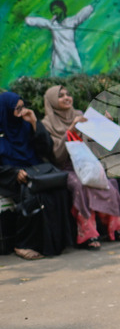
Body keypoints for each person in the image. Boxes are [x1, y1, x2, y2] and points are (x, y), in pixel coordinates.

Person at [41, 86, 120, 250]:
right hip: (66, 168)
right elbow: (55, 155)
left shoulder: (80, 115)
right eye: (61, 96)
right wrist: (70, 130)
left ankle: (115, 227)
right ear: (52, 101)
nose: (67, 98)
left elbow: (98, 146)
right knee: (81, 187)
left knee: (107, 184)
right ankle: (88, 233)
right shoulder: (46, 124)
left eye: (68, 94)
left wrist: (104, 125)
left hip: (88, 164)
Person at [0, 92, 73, 259]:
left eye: (23, 106)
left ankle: (53, 243)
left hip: (36, 172)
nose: (22, 111)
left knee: (57, 191)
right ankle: (22, 245)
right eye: (17, 108)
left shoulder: (25, 125)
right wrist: (14, 172)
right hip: (9, 177)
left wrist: (34, 123)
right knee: (33, 197)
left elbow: (46, 149)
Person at [25, 0, 97, 77]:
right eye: (52, 10)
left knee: (78, 78)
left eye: (55, 9)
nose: (53, 12)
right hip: (58, 62)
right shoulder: (52, 24)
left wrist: (92, 5)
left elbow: (81, 15)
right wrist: (26, 20)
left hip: (72, 58)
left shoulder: (71, 22)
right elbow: (39, 21)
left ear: (62, 8)